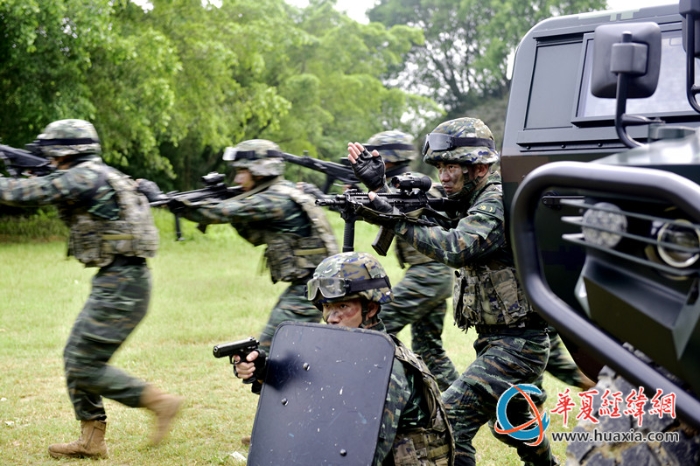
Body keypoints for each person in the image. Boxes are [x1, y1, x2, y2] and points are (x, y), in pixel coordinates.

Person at [347, 117, 557, 466]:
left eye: (451, 167)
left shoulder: (494, 201)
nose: (443, 176)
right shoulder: (470, 198)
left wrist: (394, 220)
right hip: (501, 340)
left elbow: (456, 246)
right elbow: (433, 221)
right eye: (441, 167)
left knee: (446, 424)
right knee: (515, 424)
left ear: (477, 166)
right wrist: (381, 189)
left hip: (519, 345)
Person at [0, 119, 184, 459]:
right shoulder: (98, 173)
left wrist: (18, 180)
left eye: (52, 154)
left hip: (122, 282)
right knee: (77, 357)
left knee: (82, 364)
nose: (49, 160)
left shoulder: (83, 175)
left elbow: (19, 194)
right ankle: (91, 439)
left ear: (66, 152)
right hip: (118, 279)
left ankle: (159, 402)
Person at [235, 251, 454, 465]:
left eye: (342, 306)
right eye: (327, 306)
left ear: (371, 308)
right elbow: (309, 400)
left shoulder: (388, 368)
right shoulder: (342, 352)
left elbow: (365, 452)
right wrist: (264, 373)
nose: (332, 317)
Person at [169, 139, 338, 354]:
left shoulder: (274, 200)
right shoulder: (282, 190)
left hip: (313, 287)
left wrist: (168, 202)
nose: (237, 178)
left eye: (242, 171)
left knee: (271, 349)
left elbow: (220, 213)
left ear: (260, 171)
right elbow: (254, 234)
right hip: (313, 285)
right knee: (289, 346)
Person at [362, 130, 458, 391]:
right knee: (430, 352)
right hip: (431, 275)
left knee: (370, 330)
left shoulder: (409, 187)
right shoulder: (395, 185)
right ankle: (466, 402)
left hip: (428, 275)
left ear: (388, 158)